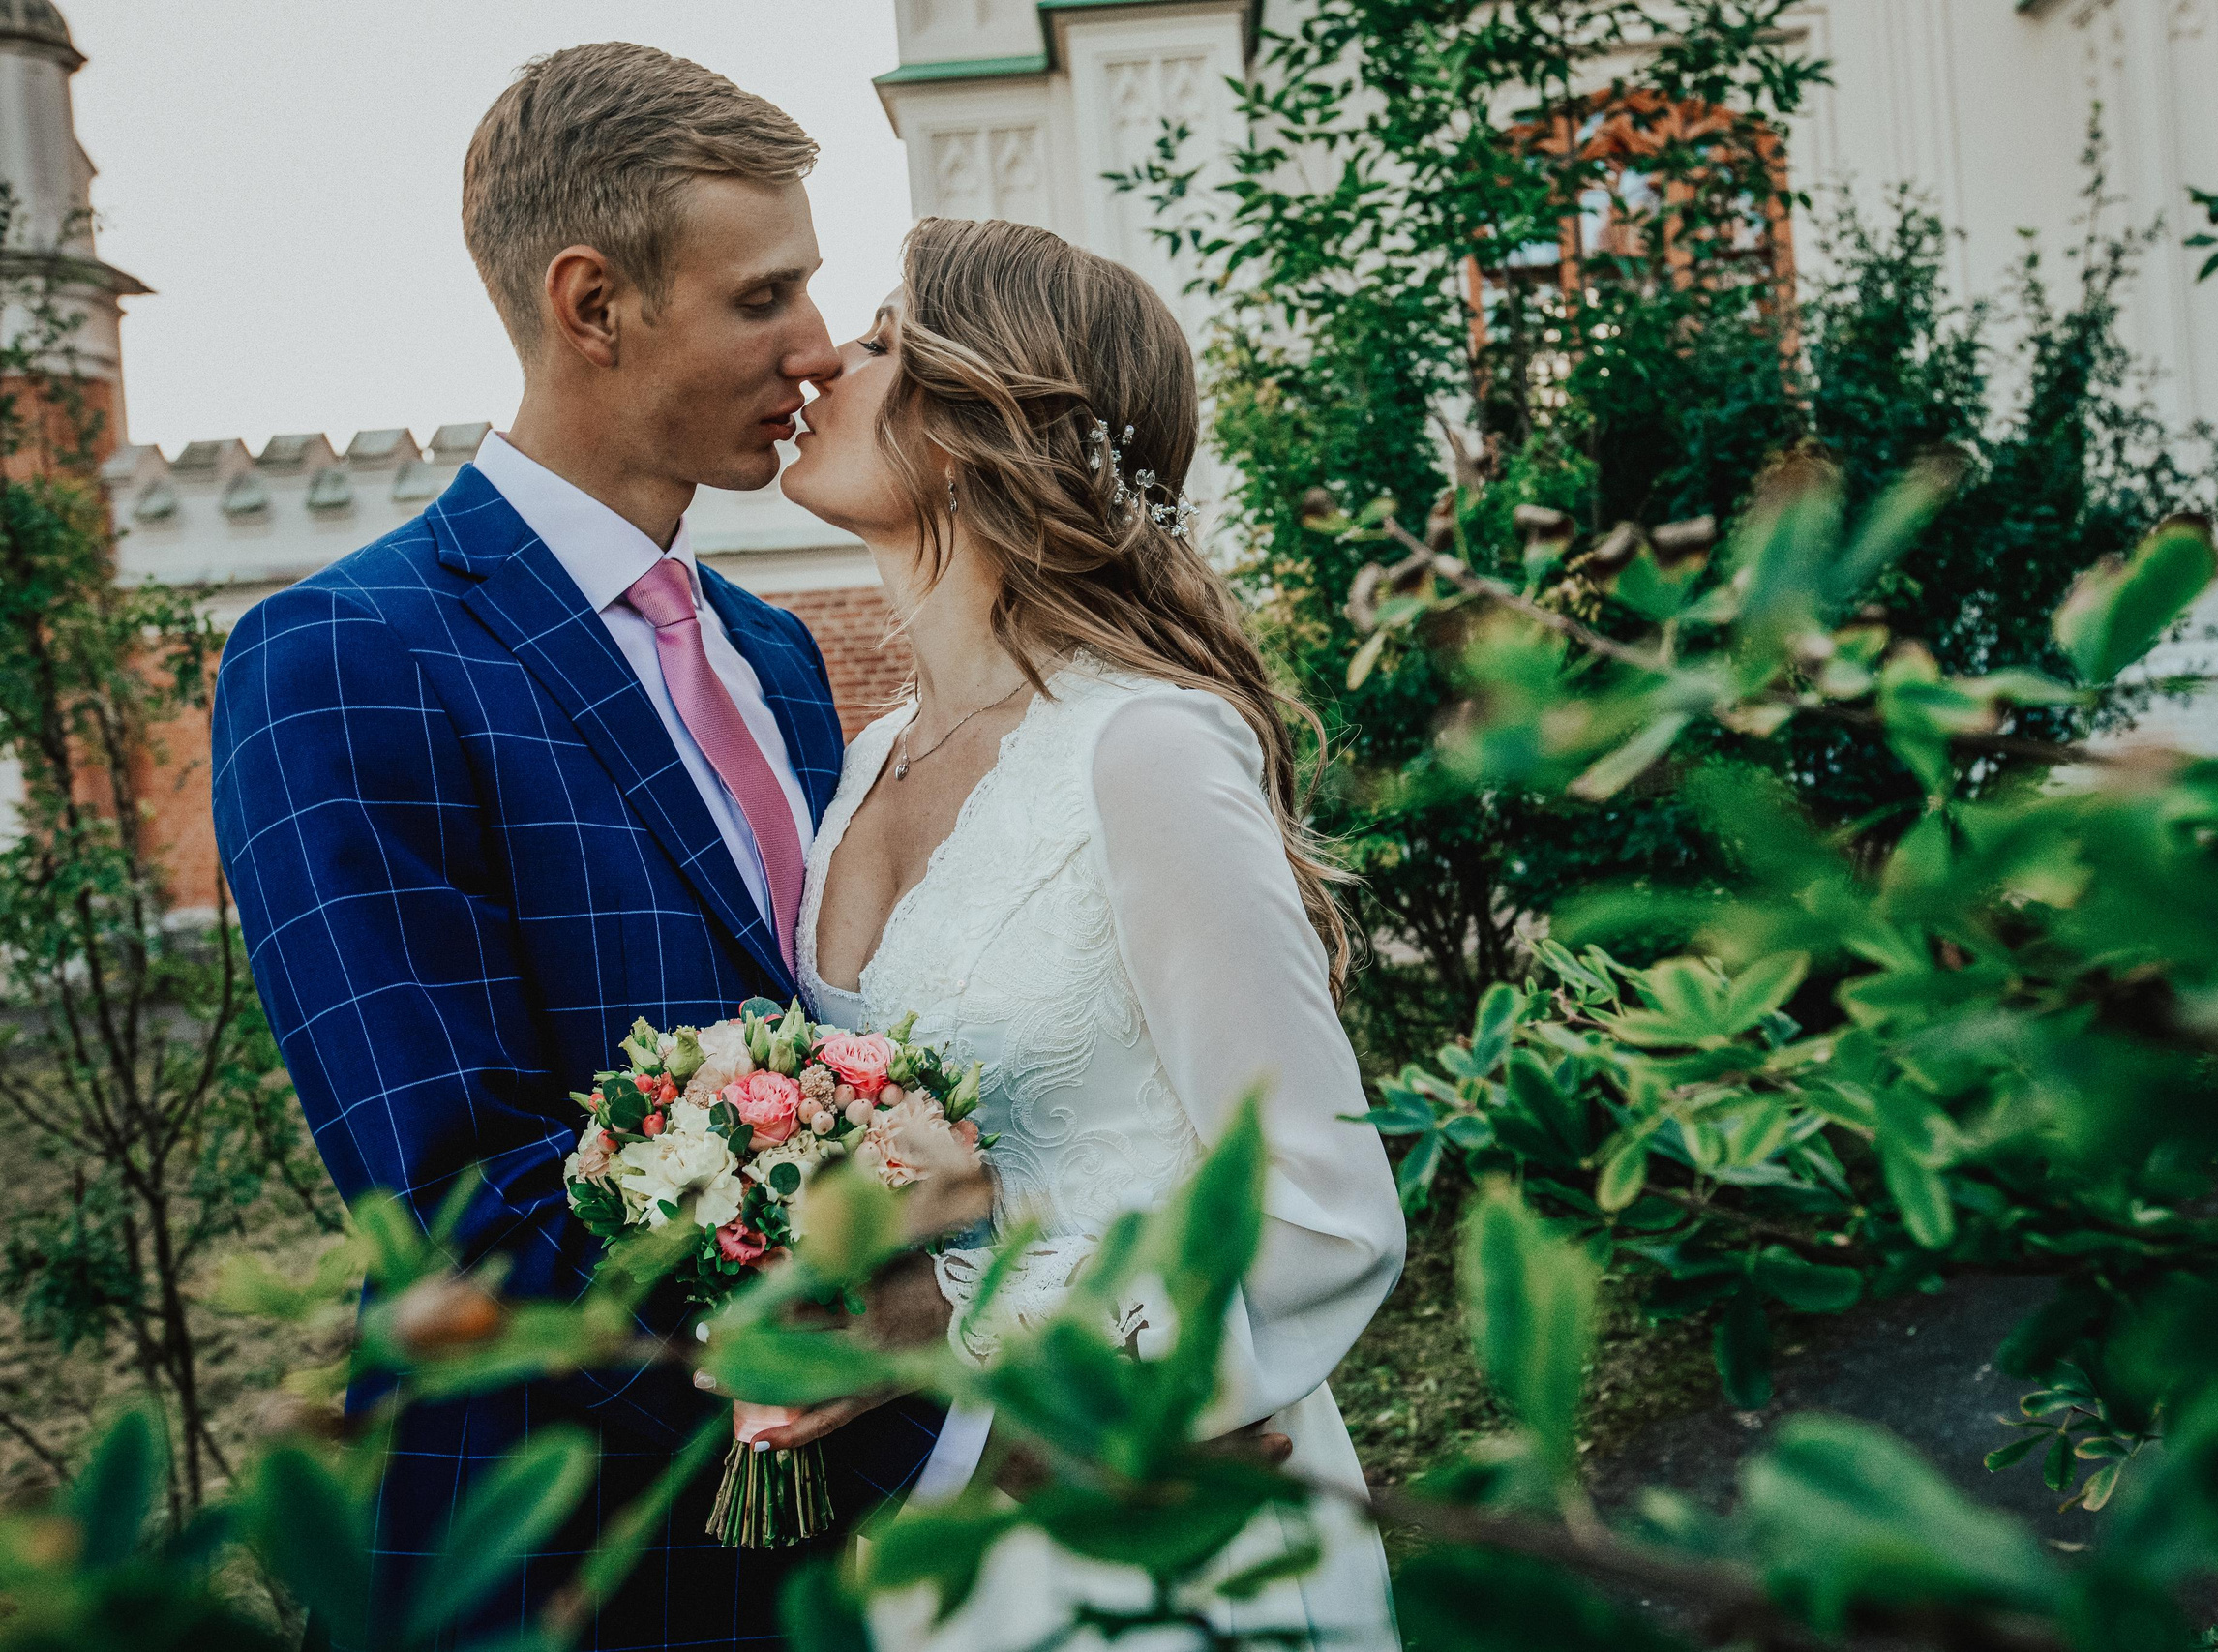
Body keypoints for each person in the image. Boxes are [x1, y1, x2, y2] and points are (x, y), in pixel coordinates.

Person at [209, 44, 941, 1649]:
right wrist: (856, 1371)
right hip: (552, 1561)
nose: (818, 348)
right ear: (593, 303)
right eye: (765, 298)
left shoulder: (778, 656)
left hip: (826, 1562)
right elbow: (447, 1184)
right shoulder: (343, 657)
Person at [780, 216, 1410, 1650]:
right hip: (931, 1537)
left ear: (973, 418)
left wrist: (977, 1342)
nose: (825, 360)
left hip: (1165, 1517)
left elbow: (1327, 1207)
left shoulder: (1143, 750)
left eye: (881, 342)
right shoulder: (865, 760)